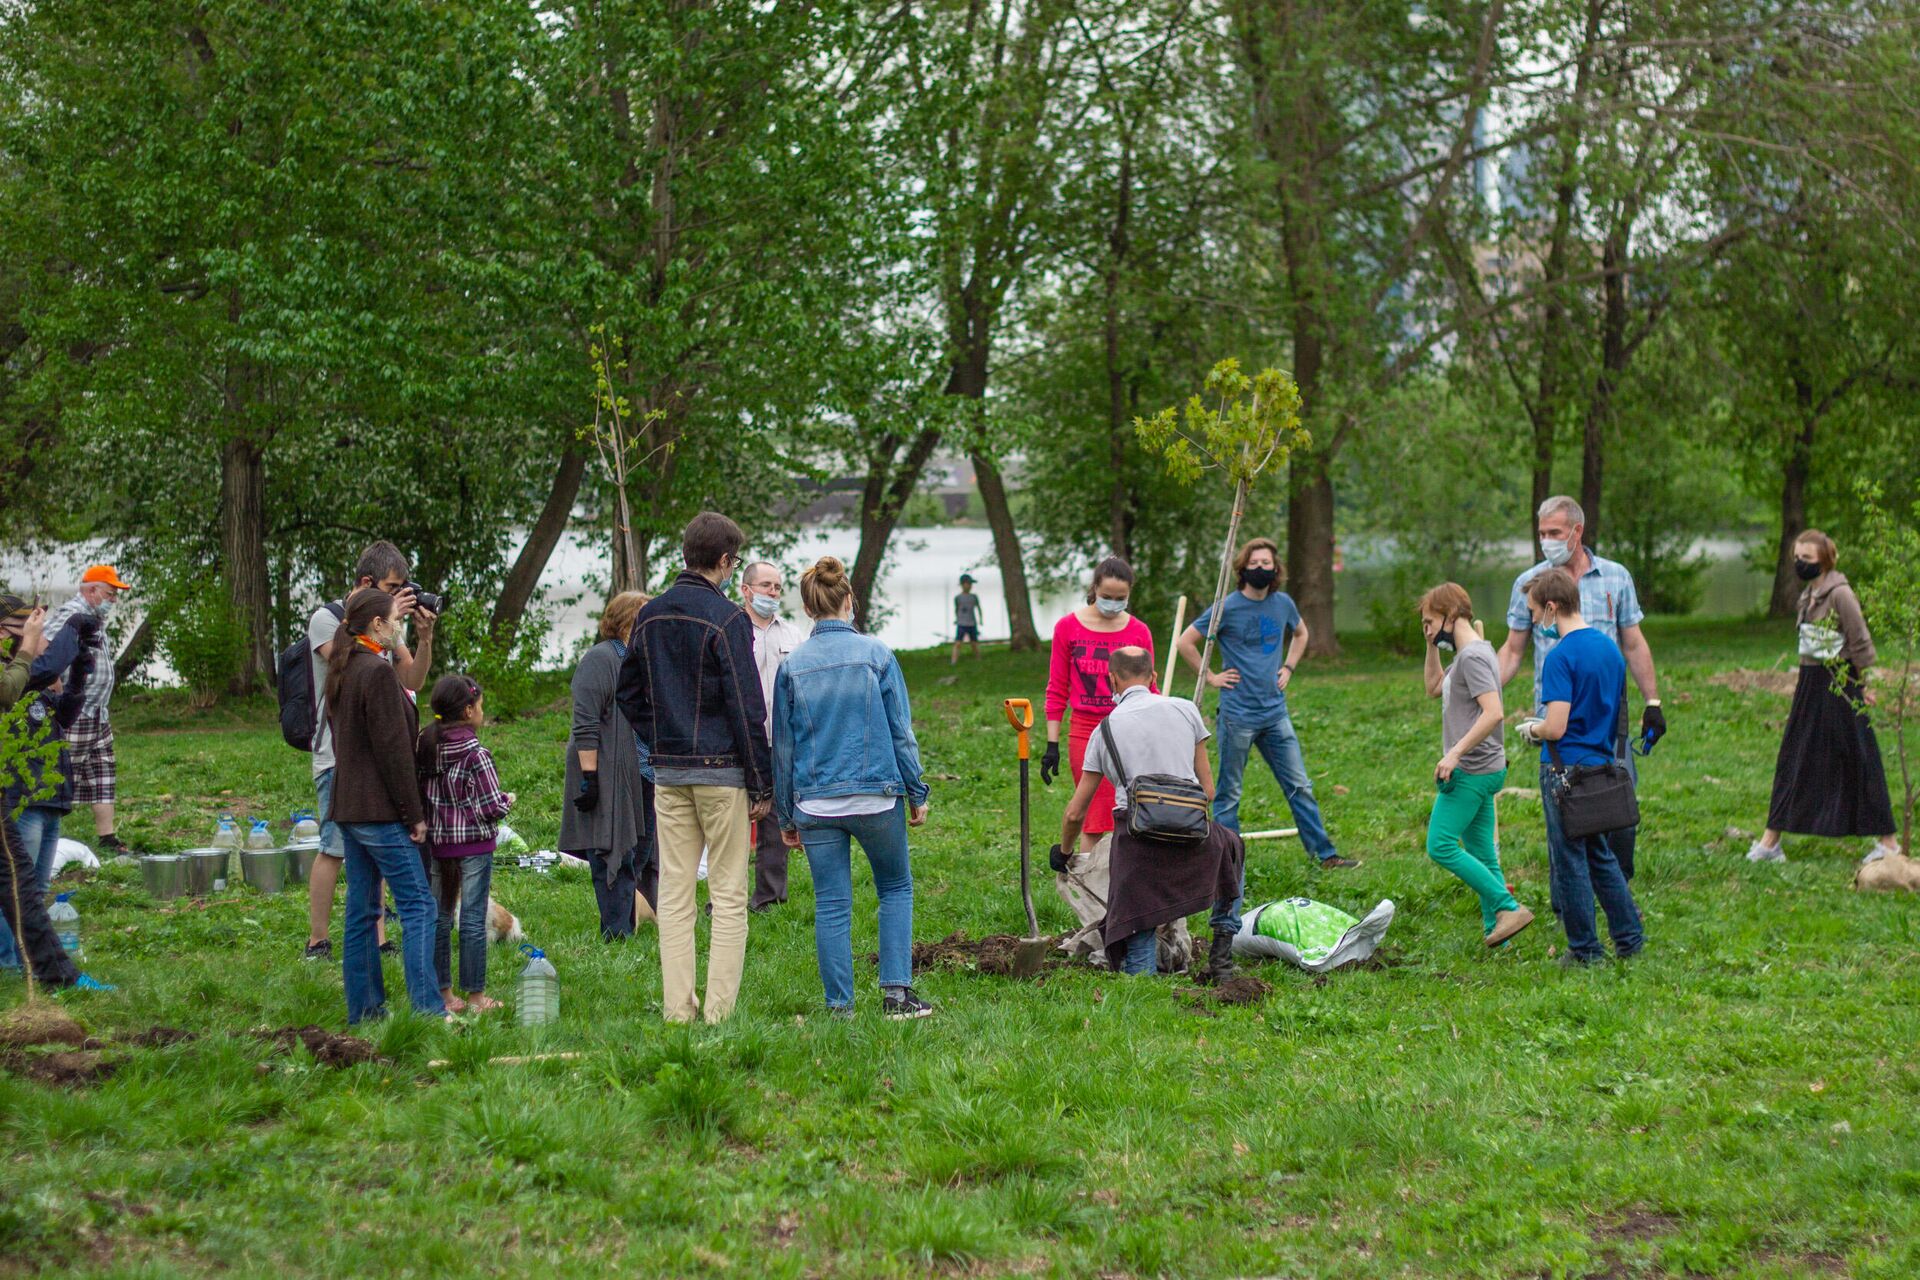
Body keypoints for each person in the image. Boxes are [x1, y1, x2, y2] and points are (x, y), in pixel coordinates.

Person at [616, 512, 773, 1025]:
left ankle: (678, 1011)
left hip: (669, 772)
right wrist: (762, 782)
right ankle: (719, 1014)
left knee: (675, 893)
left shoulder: (650, 615)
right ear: (726, 562)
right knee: (728, 895)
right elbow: (747, 707)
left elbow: (628, 693)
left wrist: (660, 738)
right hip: (722, 770)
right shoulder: (729, 619)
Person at [774, 556, 933, 1019]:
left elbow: (782, 749)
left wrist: (786, 816)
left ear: (807, 609)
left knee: (831, 903)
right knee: (895, 888)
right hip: (876, 795)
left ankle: (839, 1007)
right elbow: (900, 731)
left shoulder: (792, 666)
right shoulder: (877, 655)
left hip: (815, 801)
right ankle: (897, 995)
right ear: (849, 601)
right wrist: (916, 792)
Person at [1497, 497, 1663, 885]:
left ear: (1577, 531)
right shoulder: (1530, 585)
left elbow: (1634, 643)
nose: (1546, 541)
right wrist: (1480, 690)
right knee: (1566, 805)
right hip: (1559, 713)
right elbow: (1512, 650)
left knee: (1618, 799)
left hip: (1607, 713)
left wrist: (1652, 702)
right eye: (1541, 534)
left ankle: (1617, 886)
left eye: (1554, 533)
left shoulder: (1616, 577)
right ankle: (1570, 897)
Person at [1056, 646, 1245, 982]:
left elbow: (1075, 813)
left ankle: (1142, 982)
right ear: (1154, 676)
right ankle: (1221, 958)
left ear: (1111, 679)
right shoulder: (1186, 709)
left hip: (1138, 843)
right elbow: (1209, 791)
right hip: (1194, 840)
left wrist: (1065, 852)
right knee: (1231, 846)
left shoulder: (1105, 729)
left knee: (1138, 907)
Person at [1175, 538, 1355, 868]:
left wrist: (1288, 667)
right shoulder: (1226, 606)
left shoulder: (1282, 603)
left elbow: (1301, 634)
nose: (1260, 568)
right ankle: (1228, 863)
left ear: (1276, 569)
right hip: (1237, 714)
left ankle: (1325, 855)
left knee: (1299, 786)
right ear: (1243, 569)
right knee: (1229, 795)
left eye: (1266, 563)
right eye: (1254, 563)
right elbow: (1185, 641)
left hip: (1275, 713)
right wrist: (1212, 676)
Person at [303, 542, 437, 961]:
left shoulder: (387, 626)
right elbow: (349, 660)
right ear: (366, 584)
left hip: (375, 754)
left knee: (371, 851)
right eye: (393, 587)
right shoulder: (328, 620)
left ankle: (378, 938)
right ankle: (317, 940)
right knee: (334, 847)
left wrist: (423, 637)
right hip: (337, 755)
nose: (403, 595)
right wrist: (385, 622)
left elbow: (412, 676)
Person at [324, 588, 444, 1023]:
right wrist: (414, 815)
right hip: (379, 811)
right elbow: (393, 751)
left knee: (362, 911)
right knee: (419, 906)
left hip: (350, 808)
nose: (399, 625)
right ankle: (429, 1011)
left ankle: (366, 1011)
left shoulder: (345, 666)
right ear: (377, 625)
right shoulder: (374, 671)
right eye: (395, 619)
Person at [1747, 530, 1900, 866]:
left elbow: (1860, 639)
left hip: (1840, 684)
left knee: (1859, 756)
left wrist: (1867, 683)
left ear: (1826, 560)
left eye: (1808, 560)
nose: (1801, 564)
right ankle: (1771, 842)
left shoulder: (1840, 594)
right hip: (1810, 685)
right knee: (1794, 755)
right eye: (1797, 558)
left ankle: (1889, 843)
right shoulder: (1809, 594)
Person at [1516, 570, 1643, 965]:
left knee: (1569, 860)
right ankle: (1629, 937)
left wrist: (1531, 729)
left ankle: (1585, 949)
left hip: (1563, 770)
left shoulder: (1561, 657)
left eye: (1536, 613)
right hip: (1602, 766)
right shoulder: (1609, 650)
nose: (1536, 622)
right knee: (1599, 855)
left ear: (1552, 607)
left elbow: (1556, 725)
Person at [0, 595, 110, 989]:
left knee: (30, 888)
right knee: (16, 886)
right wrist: (73, 630)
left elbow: (61, 714)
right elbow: (41, 670)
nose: (38, 637)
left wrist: (79, 672)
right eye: (30, 628)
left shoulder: (31, 676)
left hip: (50, 797)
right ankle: (14, 966)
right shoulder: (13, 674)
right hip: (20, 797)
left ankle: (37, 969)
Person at [1419, 584, 1533, 947]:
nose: (1428, 628)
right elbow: (1434, 686)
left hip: (1472, 770)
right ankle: (1497, 929)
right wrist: (1430, 645)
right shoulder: (1466, 654)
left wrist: (1454, 754)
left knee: (1440, 844)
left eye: (1430, 622)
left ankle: (1505, 905)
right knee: (1483, 853)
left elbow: (1494, 713)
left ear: (1450, 616)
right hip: (1482, 769)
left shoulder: (1474, 657)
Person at [561, 590, 657, 939]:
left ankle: (627, 922)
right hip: (609, 772)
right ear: (627, 620)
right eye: (644, 617)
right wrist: (590, 777)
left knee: (640, 852)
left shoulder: (642, 659)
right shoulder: (600, 659)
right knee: (612, 851)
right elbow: (585, 723)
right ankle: (616, 933)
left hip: (646, 771)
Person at [417, 675, 511, 1014]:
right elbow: (490, 807)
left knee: (441, 917)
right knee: (471, 919)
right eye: (481, 705)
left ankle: (445, 995)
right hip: (474, 846)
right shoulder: (476, 754)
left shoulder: (426, 746)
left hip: (438, 845)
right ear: (469, 710)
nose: (482, 711)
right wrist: (506, 801)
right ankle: (475, 998)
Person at [46, 565, 131, 853]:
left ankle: (107, 838)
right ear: (92, 590)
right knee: (60, 774)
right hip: (76, 711)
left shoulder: (94, 618)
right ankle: (45, 836)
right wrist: (56, 688)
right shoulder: (71, 613)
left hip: (98, 712)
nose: (113, 600)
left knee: (103, 771)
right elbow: (44, 646)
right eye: (110, 593)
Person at [742, 561, 805, 911]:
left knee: (776, 820)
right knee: (734, 821)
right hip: (741, 742)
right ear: (746, 590)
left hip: (781, 740)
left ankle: (770, 896)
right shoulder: (733, 630)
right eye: (766, 585)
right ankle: (727, 898)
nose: (772, 592)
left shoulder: (793, 636)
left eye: (778, 587)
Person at [951, 574, 983, 665]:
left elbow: (978, 608)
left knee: (974, 643)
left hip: (972, 623)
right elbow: (957, 609)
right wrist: (957, 619)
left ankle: (978, 659)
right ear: (962, 585)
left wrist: (981, 619)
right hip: (962, 623)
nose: (970, 586)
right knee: (958, 643)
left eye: (970, 584)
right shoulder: (958, 598)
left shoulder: (974, 597)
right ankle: (953, 661)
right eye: (968, 584)